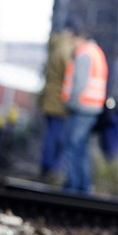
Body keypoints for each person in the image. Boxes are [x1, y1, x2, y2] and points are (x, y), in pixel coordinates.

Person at [61, 27, 108, 194]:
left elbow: (79, 84)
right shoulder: (96, 52)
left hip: (81, 107)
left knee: (74, 146)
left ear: (78, 38)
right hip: (92, 107)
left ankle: (73, 186)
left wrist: (70, 103)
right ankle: (83, 186)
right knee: (81, 147)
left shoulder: (84, 53)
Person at [39, 25, 76, 184]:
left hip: (49, 98)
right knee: (57, 136)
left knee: (51, 134)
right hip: (59, 100)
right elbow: (70, 73)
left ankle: (47, 167)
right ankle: (51, 169)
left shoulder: (54, 46)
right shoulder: (65, 49)